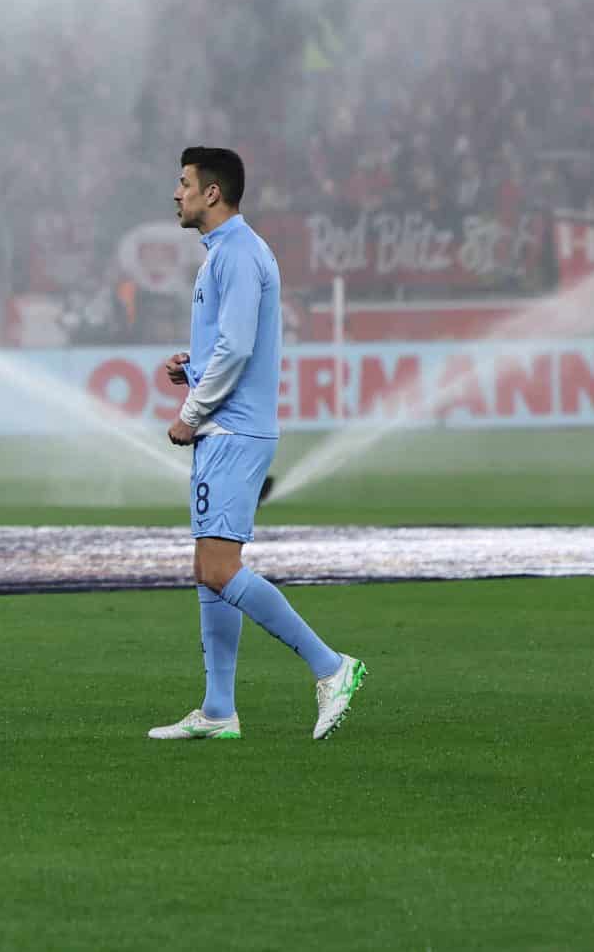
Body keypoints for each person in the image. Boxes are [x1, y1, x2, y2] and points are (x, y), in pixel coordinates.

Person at [151, 147, 366, 743]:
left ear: (212, 193)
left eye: (184, 183)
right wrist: (194, 369)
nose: (176, 193)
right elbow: (229, 346)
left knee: (220, 568)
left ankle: (331, 666)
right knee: (208, 570)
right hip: (226, 426)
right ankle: (218, 710)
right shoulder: (225, 253)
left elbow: (239, 347)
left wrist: (190, 412)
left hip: (233, 431)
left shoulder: (239, 254)